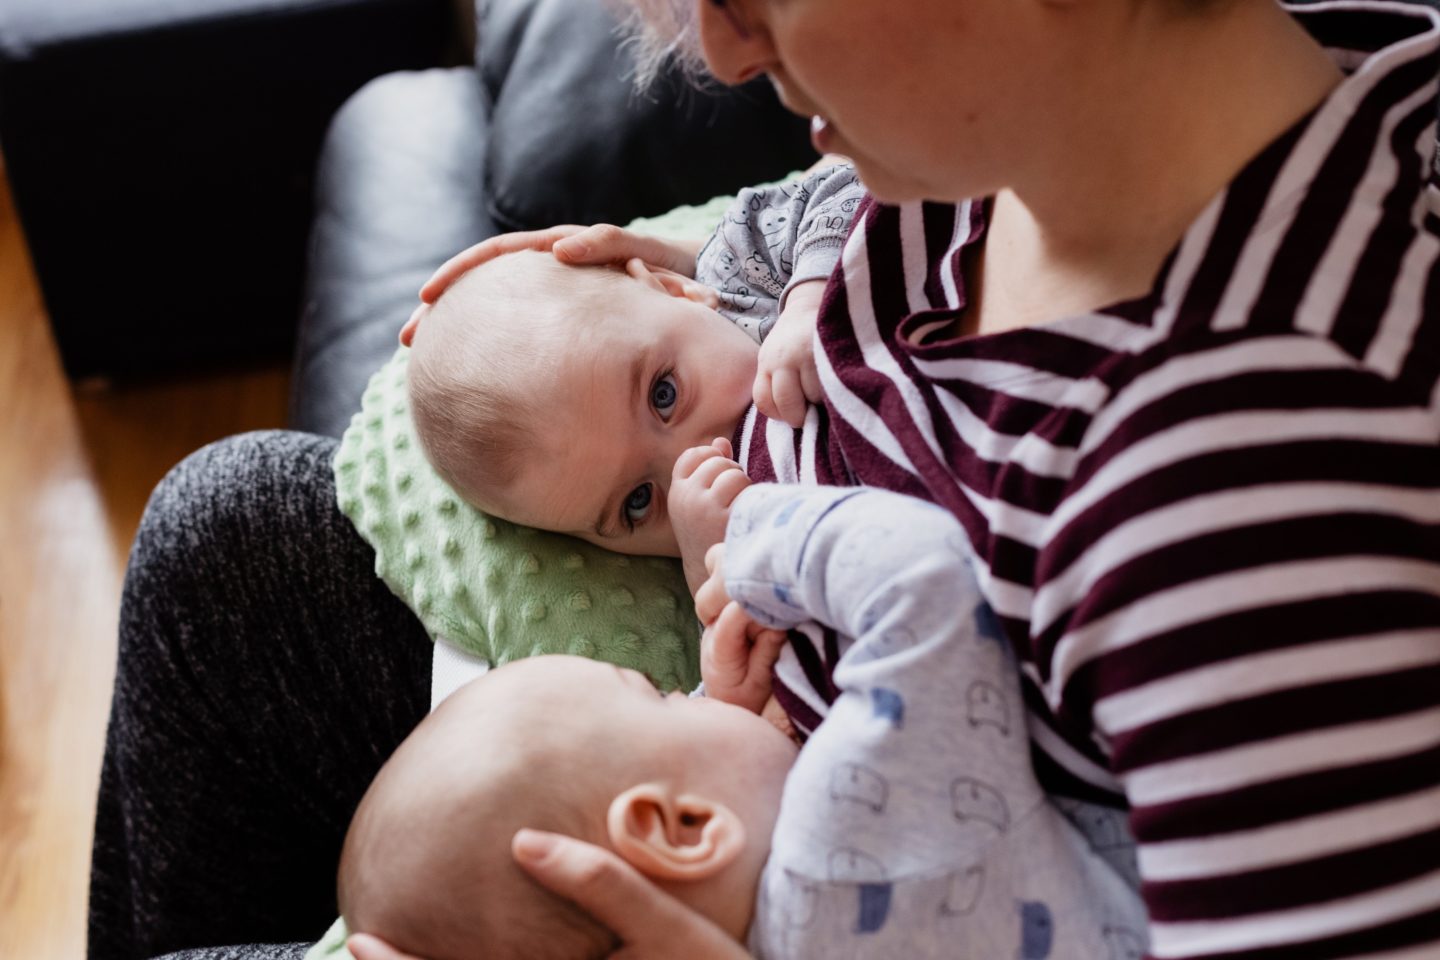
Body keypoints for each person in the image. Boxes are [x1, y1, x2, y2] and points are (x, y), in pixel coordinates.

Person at [90, 0, 1440, 956]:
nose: (723, 51)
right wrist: (692, 283)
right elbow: (790, 261)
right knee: (234, 527)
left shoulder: (1258, 494)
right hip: (760, 757)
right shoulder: (973, 156)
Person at [337, 485, 1145, 960]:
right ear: (683, 829)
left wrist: (716, 726)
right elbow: (924, 576)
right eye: (658, 696)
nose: (689, 689)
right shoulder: (847, 841)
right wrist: (754, 547)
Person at [402, 163, 863, 587]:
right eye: (638, 502)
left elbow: (853, 185)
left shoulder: (744, 272)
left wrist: (808, 300)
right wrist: (710, 573)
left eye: (664, 394)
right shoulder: (733, 538)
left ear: (674, 289)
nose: (694, 459)